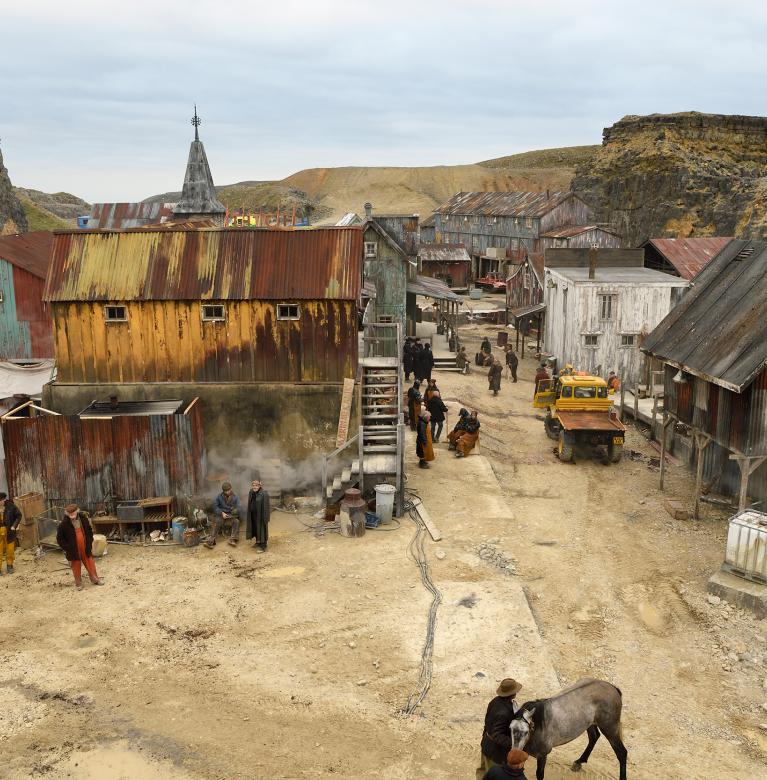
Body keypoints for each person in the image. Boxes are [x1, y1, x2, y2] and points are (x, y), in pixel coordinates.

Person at [476, 678, 523, 780]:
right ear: (512, 693)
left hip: (486, 743)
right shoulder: (504, 712)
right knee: (491, 775)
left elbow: (488, 722)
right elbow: (497, 735)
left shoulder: (495, 701)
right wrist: (514, 743)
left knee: (482, 772)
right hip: (495, 752)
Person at [56, 504, 103, 590]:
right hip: (73, 549)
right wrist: (68, 548)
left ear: (77, 511)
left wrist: (89, 541)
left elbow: (89, 530)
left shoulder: (83, 518)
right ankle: (78, 583)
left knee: (90, 562)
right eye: (70, 514)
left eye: (73, 513)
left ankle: (95, 579)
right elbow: (59, 539)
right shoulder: (63, 524)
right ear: (67, 514)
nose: (72, 516)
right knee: (76, 566)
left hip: (85, 546)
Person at [207, 482, 243, 548]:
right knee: (217, 522)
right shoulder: (219, 497)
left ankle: (232, 539)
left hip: (231, 515)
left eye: (228, 490)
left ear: (231, 489)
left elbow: (240, 507)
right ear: (223, 491)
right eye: (225, 491)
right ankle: (210, 541)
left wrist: (235, 510)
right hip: (221, 515)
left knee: (236, 522)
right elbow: (215, 507)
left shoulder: (235, 497)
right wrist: (221, 513)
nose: (227, 492)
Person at [0, 493, 22, 575]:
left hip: (9, 530)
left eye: (0, 501)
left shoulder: (11, 506)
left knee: (10, 550)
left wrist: (14, 525)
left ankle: (10, 565)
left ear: (4, 500)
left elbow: (19, 515)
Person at [246, 480, 271, 552]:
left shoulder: (264, 494)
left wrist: (265, 518)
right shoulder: (251, 492)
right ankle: (258, 542)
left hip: (261, 516)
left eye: (256, 485)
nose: (254, 487)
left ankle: (263, 546)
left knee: (262, 530)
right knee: (255, 528)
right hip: (253, 514)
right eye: (253, 485)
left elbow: (266, 507)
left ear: (260, 486)